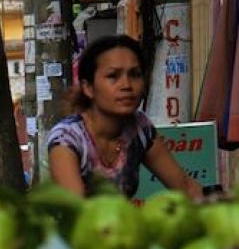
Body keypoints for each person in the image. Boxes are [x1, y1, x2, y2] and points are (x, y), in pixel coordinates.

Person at [49, 34, 202, 199]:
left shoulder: (140, 128)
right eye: (113, 76)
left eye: (135, 74)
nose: (126, 85)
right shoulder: (66, 138)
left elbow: (185, 187)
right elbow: (78, 212)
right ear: (88, 88)